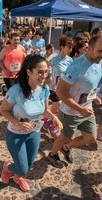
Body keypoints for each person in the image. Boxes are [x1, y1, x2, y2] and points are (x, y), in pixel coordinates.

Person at [0, 54, 63, 191]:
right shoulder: (15, 91)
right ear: (29, 72)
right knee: (22, 169)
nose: (44, 75)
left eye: (46, 71)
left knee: (27, 166)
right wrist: (18, 123)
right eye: (40, 72)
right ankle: (7, 167)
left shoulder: (44, 89)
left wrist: (54, 118)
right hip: (16, 135)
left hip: (34, 132)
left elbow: (45, 109)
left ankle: (17, 177)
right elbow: (3, 110)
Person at [48, 35, 102, 169]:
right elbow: (60, 92)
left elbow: (90, 83)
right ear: (89, 48)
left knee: (91, 137)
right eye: (100, 51)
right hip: (70, 112)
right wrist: (80, 109)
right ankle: (53, 154)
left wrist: (94, 95)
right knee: (65, 136)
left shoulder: (98, 62)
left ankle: (66, 148)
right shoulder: (76, 67)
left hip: (87, 108)